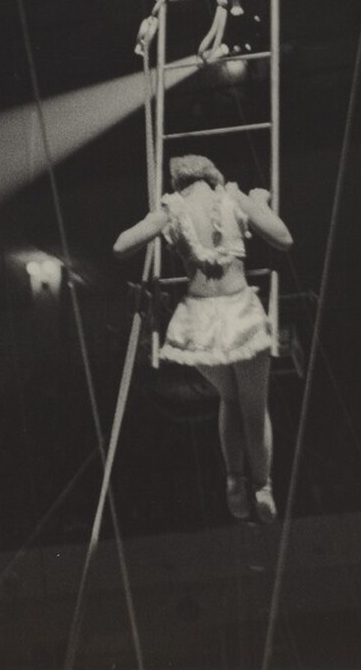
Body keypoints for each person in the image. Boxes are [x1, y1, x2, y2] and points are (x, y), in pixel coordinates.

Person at [113, 155, 293, 524]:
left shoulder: (172, 208)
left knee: (228, 398)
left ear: (179, 183)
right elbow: (283, 239)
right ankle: (262, 486)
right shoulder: (232, 198)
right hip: (239, 312)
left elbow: (120, 246)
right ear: (214, 176)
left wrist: (158, 220)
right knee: (253, 408)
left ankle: (233, 478)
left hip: (198, 321)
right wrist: (257, 203)